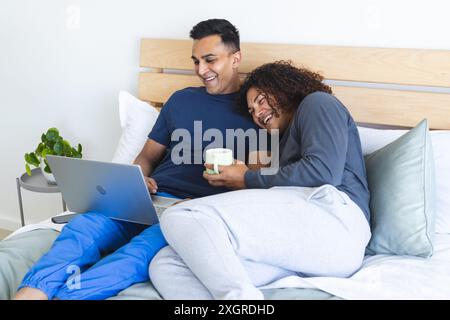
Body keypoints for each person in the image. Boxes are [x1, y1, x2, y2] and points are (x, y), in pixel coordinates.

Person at [14, 19, 263, 300]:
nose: (201, 70)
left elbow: (256, 185)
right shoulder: (181, 100)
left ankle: (67, 296)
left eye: (209, 60)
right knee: (83, 228)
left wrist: (209, 205)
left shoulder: (257, 112)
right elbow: (146, 156)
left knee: (136, 256)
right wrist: (138, 179)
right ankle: (31, 292)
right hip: (146, 198)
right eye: (195, 61)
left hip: (190, 213)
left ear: (236, 58)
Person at [149, 61, 372, 300]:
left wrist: (245, 178)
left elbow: (323, 172)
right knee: (166, 264)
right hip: (309, 248)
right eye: (251, 111)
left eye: (262, 100)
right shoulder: (282, 146)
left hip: (336, 219)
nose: (257, 113)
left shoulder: (317, 103)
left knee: (180, 215)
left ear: (284, 88)